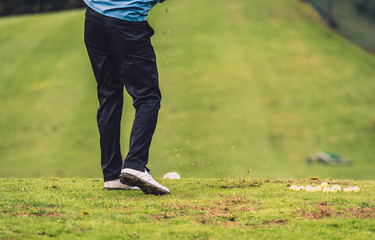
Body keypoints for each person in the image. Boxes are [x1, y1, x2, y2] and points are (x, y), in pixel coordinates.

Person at [83, 0, 169, 195]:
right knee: (148, 97)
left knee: (108, 95)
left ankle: (112, 176)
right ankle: (135, 164)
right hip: (126, 23)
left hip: (94, 18)